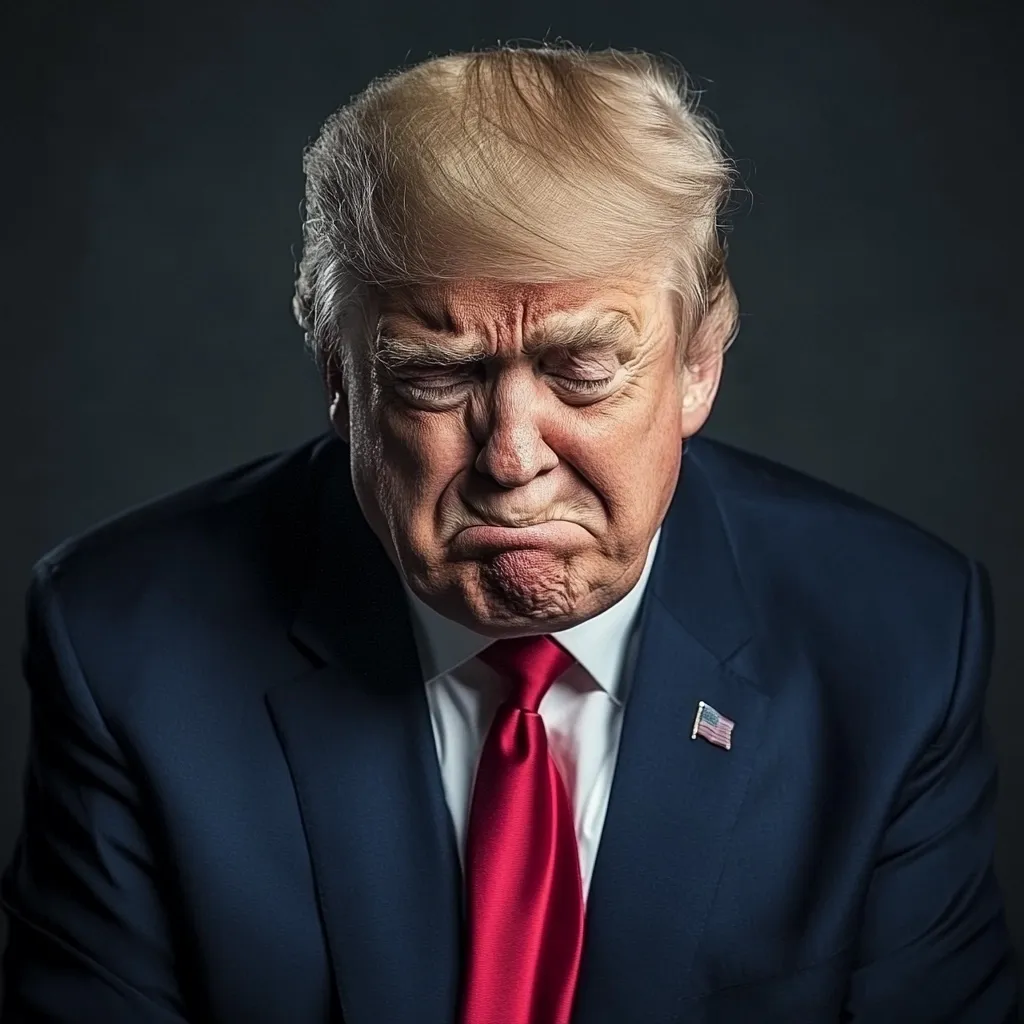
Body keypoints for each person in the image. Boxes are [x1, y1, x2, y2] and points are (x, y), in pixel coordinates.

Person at [1, 42, 1018, 1024]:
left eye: (581, 368)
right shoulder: (123, 644)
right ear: (338, 378)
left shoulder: (901, 643)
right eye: (436, 375)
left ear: (698, 363)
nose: (510, 457)